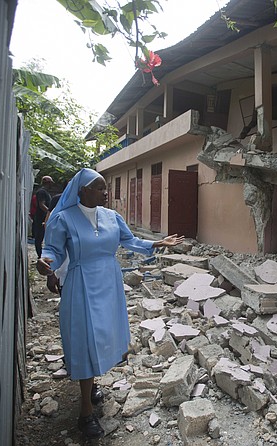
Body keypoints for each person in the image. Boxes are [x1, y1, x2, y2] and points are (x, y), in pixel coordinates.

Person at [35, 168, 184, 439]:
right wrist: (47, 265)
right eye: (100, 187)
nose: (106, 192)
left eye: (106, 188)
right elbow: (53, 252)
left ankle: (89, 385)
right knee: (84, 339)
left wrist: (157, 243)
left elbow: (130, 241)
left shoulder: (112, 217)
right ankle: (85, 413)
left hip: (109, 283)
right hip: (81, 284)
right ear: (82, 190)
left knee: (103, 336)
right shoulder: (64, 219)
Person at [33, 175, 54, 257]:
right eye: (51, 183)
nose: (52, 185)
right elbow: (41, 205)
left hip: (44, 218)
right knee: (39, 238)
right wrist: (50, 212)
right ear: (48, 183)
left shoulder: (45, 192)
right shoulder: (42, 192)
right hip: (40, 218)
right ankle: (40, 255)